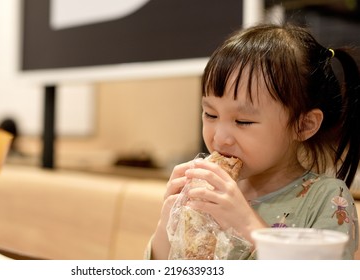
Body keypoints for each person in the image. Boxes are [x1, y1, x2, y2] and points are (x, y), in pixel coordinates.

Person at [147, 23, 360, 260]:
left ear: (303, 125)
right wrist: (169, 220)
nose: (219, 138)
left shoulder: (326, 198)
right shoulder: (209, 193)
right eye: (211, 114)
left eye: (243, 121)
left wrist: (246, 224)